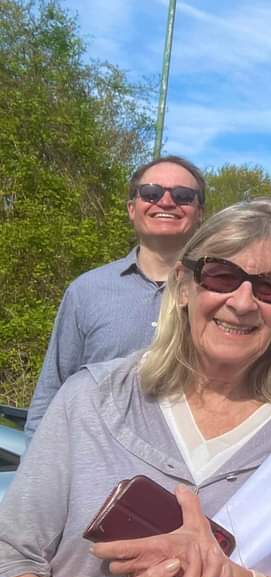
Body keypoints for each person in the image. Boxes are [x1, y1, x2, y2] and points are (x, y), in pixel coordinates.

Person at [0, 200, 271, 577]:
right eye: (222, 276)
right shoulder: (92, 399)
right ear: (184, 285)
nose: (243, 302)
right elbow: (6, 574)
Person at [25, 155, 206, 440]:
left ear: (200, 213)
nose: (166, 202)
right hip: (90, 469)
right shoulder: (86, 291)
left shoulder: (220, 295)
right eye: (152, 193)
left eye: (183, 196)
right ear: (132, 209)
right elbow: (50, 394)